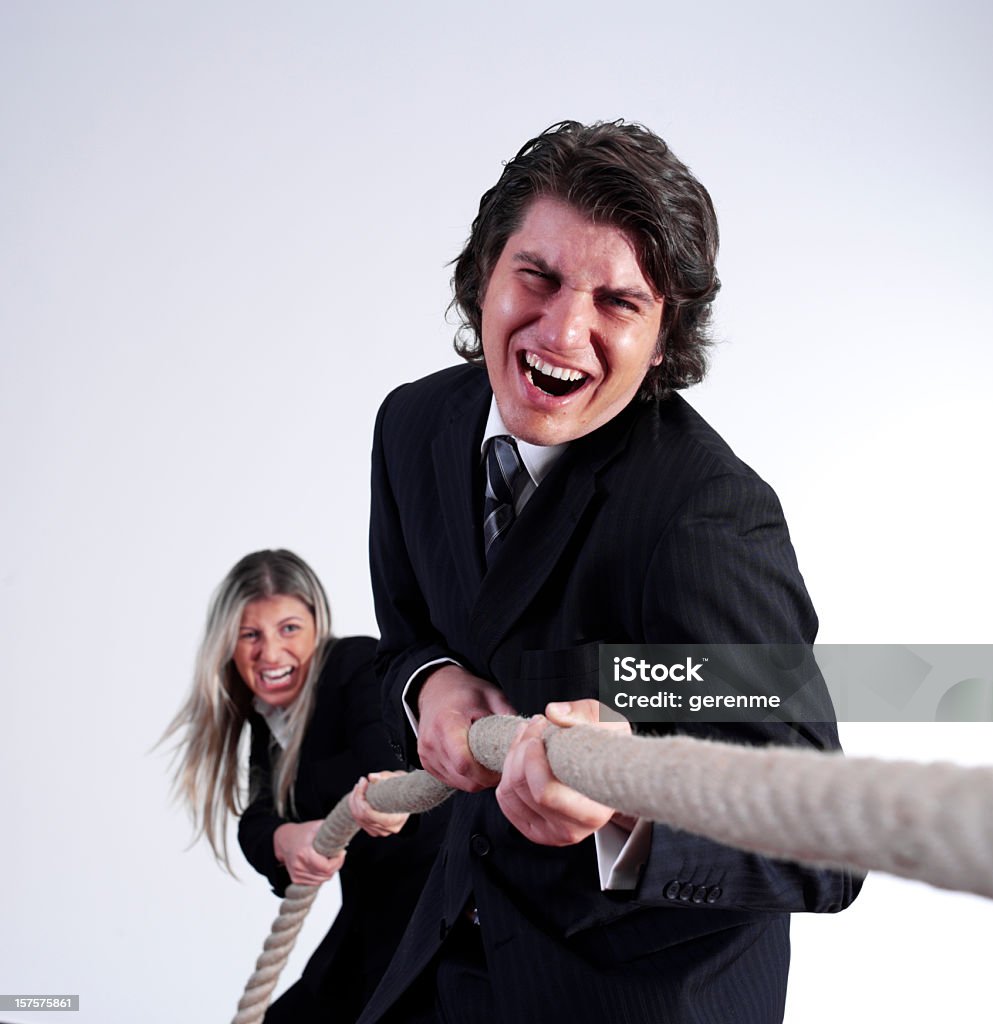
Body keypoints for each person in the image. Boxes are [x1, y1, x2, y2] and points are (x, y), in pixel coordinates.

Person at [364, 120, 862, 1024]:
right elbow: (412, 636)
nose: (563, 330)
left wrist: (623, 815)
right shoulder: (411, 428)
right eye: (538, 277)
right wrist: (428, 686)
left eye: (619, 304)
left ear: (667, 340)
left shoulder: (704, 518)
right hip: (453, 951)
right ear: (484, 273)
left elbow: (824, 847)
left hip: (637, 996)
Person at [165, 549, 444, 1024]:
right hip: (371, 919)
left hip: (434, 912)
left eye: (288, 629)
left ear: (318, 624)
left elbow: (382, 769)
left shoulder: (354, 666)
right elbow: (255, 822)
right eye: (249, 635)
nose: (269, 654)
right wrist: (284, 837)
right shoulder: (268, 721)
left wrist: (359, 802)